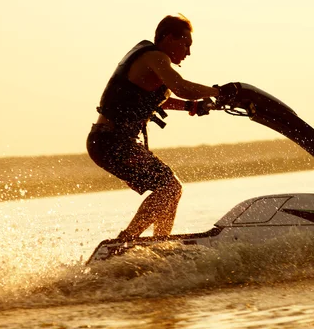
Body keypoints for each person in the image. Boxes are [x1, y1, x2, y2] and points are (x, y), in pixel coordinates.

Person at [87, 15, 238, 241]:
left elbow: (158, 99)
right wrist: (220, 92)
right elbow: (182, 87)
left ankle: (160, 243)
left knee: (170, 190)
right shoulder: (155, 57)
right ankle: (123, 243)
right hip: (110, 142)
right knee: (169, 189)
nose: (188, 52)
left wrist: (191, 106)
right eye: (185, 44)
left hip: (112, 142)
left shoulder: (152, 65)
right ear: (168, 38)